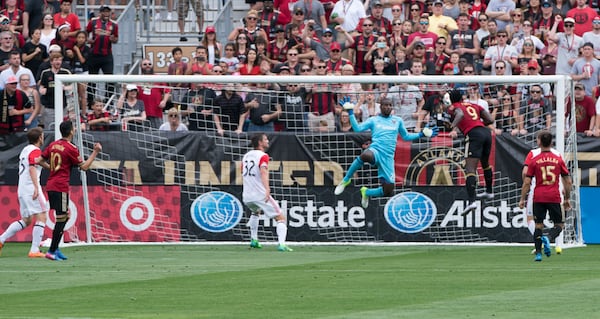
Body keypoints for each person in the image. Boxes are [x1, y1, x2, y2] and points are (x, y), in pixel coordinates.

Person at [334, 97, 439, 208]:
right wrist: (350, 112)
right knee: (365, 155)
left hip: (388, 158)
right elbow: (357, 128)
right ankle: (346, 180)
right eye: (385, 105)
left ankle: (366, 192)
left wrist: (421, 134)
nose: (388, 107)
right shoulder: (373, 120)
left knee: (388, 191)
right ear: (380, 107)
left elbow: (406, 136)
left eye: (390, 105)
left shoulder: (397, 121)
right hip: (376, 150)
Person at [40, 120, 102, 260]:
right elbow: (84, 167)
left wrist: (50, 168)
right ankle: (51, 251)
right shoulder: (71, 148)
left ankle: (55, 249)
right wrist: (95, 152)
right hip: (60, 186)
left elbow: (39, 160)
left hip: (51, 184)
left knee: (64, 216)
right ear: (71, 131)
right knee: (62, 218)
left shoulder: (53, 144)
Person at [519, 130, 572, 262]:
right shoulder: (558, 158)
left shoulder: (534, 159)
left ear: (539, 142)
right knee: (559, 225)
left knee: (538, 225)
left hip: (538, 196)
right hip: (554, 196)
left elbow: (526, 180)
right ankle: (548, 238)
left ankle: (538, 254)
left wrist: (522, 199)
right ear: (551, 142)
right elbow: (568, 181)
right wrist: (567, 198)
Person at [445, 89, 494, 213]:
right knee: (485, 163)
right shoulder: (474, 105)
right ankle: (489, 191)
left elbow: (460, 114)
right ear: (462, 97)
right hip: (486, 132)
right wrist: (477, 123)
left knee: (470, 168)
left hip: (474, 134)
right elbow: (490, 120)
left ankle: (472, 201)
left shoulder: (454, 107)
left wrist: (452, 126)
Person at [0, 127, 47, 257]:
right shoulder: (35, 151)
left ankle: (1, 240)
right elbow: (32, 167)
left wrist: (50, 167)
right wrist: (37, 188)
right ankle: (34, 250)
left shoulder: (25, 150)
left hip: (22, 188)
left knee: (26, 220)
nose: (43, 138)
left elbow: (36, 163)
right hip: (31, 188)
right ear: (39, 138)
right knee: (42, 216)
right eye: (42, 136)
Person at [242, 133, 293, 252]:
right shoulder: (263, 156)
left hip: (247, 195)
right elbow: (263, 172)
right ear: (260, 143)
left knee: (256, 212)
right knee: (280, 217)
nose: (268, 141)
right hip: (260, 194)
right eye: (265, 139)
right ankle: (282, 244)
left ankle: (254, 240)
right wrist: (267, 189)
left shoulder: (246, 156)